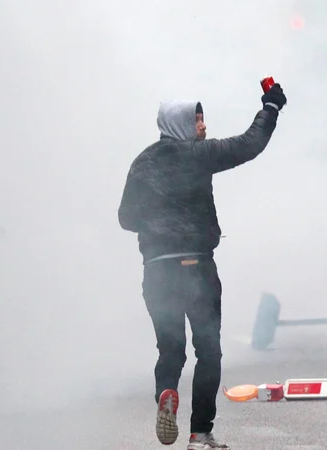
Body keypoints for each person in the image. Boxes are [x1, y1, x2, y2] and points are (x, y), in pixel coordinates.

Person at [117, 82, 288, 449]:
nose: (203, 127)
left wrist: (157, 220)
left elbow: (125, 218)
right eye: (197, 120)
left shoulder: (142, 163)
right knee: (208, 350)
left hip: (158, 271)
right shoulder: (198, 154)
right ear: (180, 123)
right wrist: (271, 107)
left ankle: (166, 392)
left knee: (170, 349)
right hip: (198, 268)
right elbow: (248, 144)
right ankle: (200, 433)